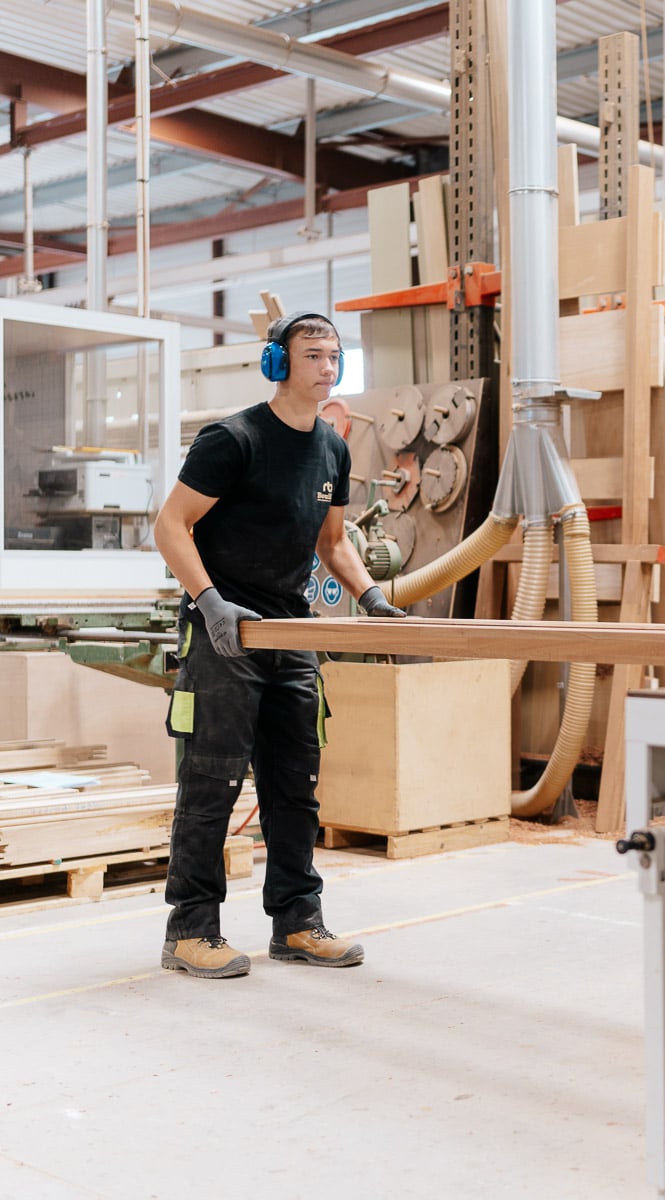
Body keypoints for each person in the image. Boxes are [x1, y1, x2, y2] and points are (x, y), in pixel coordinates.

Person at [153, 312, 407, 979]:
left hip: (292, 630)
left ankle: (296, 922)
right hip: (225, 630)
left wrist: (375, 600)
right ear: (277, 364)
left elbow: (333, 542)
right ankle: (189, 930)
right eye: (314, 355)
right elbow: (171, 526)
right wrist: (208, 603)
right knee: (212, 781)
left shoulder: (332, 447)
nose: (329, 367)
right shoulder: (232, 440)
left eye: (336, 355)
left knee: (295, 783)